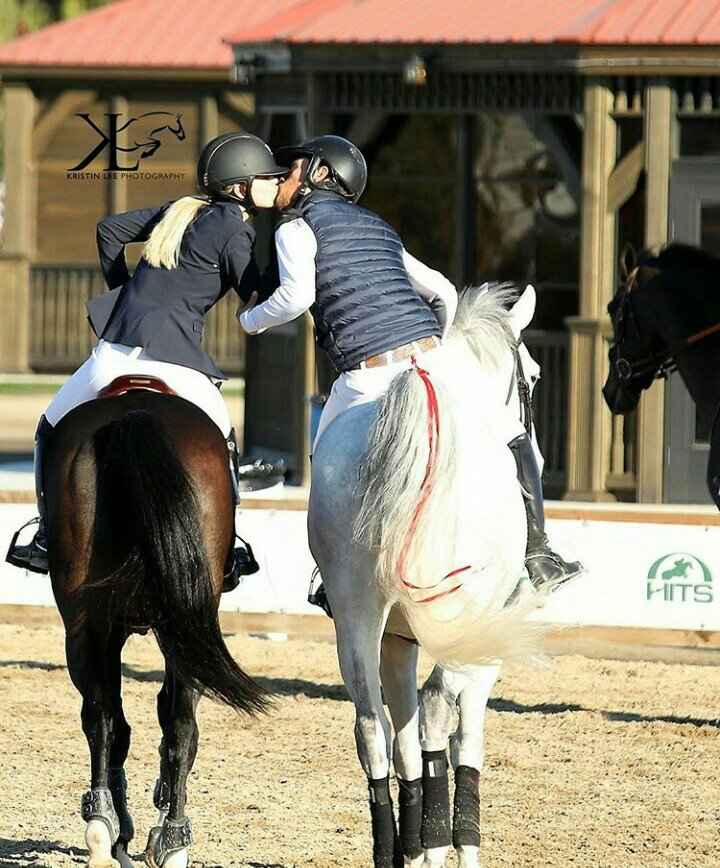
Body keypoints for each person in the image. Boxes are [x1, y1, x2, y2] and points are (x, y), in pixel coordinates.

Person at [237, 134, 582, 608]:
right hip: (433, 361)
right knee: (514, 437)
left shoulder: (293, 230)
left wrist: (250, 320)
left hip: (366, 373)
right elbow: (442, 290)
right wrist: (434, 348)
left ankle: (331, 574)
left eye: (291, 167)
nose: (281, 174)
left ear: (319, 174)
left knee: (328, 457)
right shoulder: (378, 226)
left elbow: (296, 299)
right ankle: (539, 554)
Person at [6, 132, 286, 589]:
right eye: (266, 178)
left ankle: (43, 534)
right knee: (223, 443)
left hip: (113, 350)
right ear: (239, 187)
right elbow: (251, 290)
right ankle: (229, 543)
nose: (274, 184)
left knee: (50, 428)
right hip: (175, 359)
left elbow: (109, 230)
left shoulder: (182, 209)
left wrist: (123, 295)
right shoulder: (237, 227)